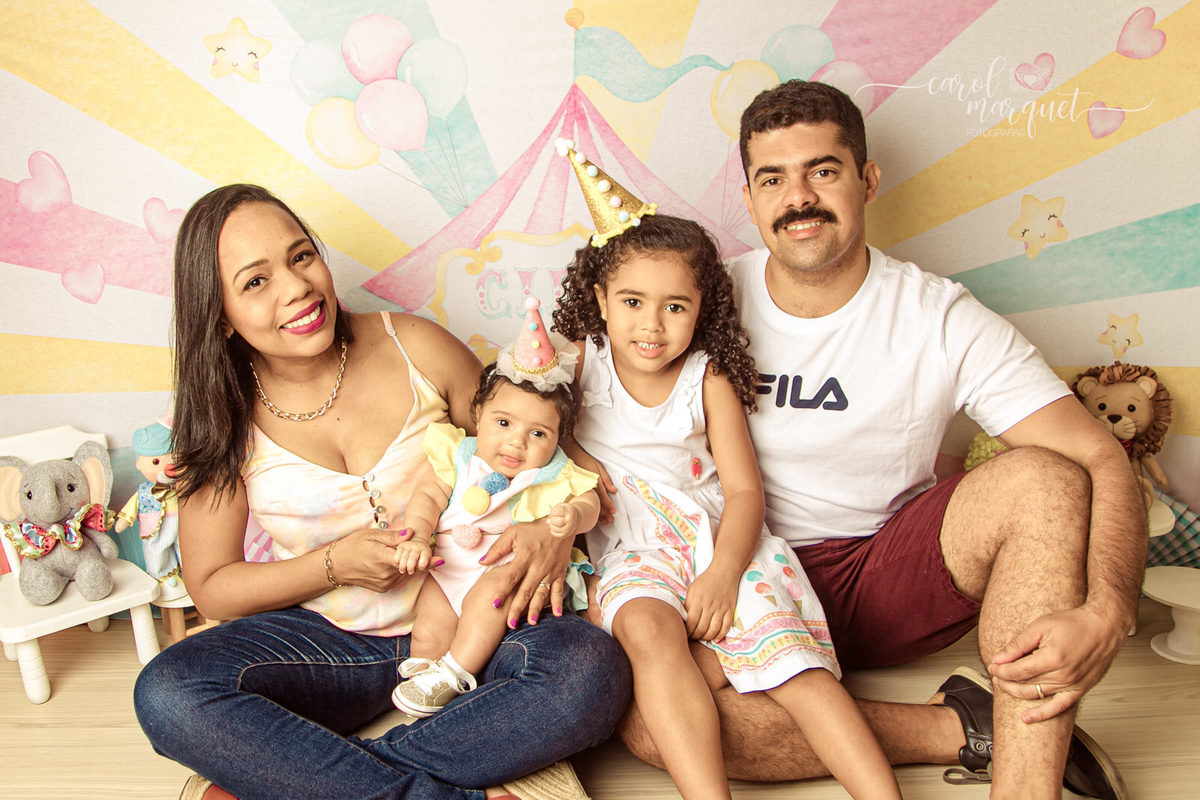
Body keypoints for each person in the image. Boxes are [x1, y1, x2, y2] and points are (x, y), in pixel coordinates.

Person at [616, 81, 1142, 799]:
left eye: (822, 171)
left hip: (881, 576)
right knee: (653, 724)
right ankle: (965, 727)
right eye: (773, 178)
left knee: (1046, 477)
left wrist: (1109, 611)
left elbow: (1099, 454)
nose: (798, 197)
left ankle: (1026, 787)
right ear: (749, 198)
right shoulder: (693, 299)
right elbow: (567, 403)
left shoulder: (937, 316)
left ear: (867, 180)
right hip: (731, 575)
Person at [132, 183, 631, 800]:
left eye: (301, 256)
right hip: (328, 643)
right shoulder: (224, 417)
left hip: (472, 622)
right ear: (221, 317)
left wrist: (554, 532)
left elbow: (528, 447)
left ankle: (316, 777)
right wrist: (334, 565)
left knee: (590, 671)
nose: (295, 289)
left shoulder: (413, 345)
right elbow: (213, 586)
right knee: (169, 692)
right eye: (255, 282)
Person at [552, 139, 902, 800]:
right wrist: (580, 460)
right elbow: (533, 431)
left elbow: (744, 492)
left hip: (719, 543)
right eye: (632, 301)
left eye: (674, 307)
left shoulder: (704, 379)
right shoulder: (580, 361)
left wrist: (721, 574)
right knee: (650, 633)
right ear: (600, 299)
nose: (651, 325)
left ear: (701, 308)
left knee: (796, 672)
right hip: (633, 551)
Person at [391, 298, 602, 718]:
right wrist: (415, 534)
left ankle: (456, 671)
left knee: (490, 599)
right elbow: (429, 496)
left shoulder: (550, 473)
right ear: (479, 413)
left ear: (559, 436)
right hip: (449, 564)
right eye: (503, 423)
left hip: (503, 571)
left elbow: (590, 500)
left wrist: (573, 517)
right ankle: (428, 667)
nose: (516, 443)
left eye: (538, 433)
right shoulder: (460, 455)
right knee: (431, 613)